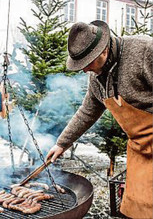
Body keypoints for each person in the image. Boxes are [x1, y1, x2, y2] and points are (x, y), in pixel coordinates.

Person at [46, 20, 152, 218]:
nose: (85, 70)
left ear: (103, 51)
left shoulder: (145, 50)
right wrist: (62, 143)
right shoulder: (96, 75)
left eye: (87, 64)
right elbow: (89, 110)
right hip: (139, 149)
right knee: (138, 209)